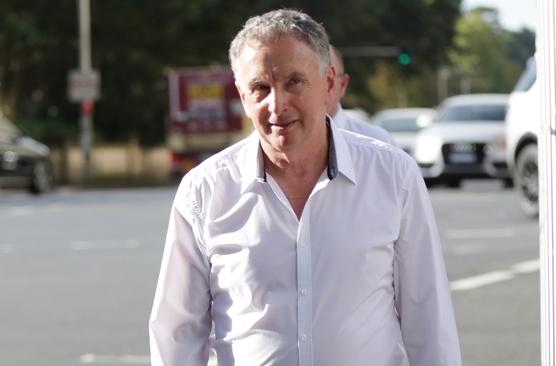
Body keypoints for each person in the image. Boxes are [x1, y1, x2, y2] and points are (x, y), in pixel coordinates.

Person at [149, 8, 461, 366]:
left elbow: (428, 317)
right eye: (260, 88)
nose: (277, 105)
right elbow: (178, 332)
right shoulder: (205, 191)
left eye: (294, 82)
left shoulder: (392, 176)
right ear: (242, 94)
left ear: (329, 84)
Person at [327, 45, 397, 145]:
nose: (318, 88)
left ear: (343, 84)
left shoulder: (379, 144)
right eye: (297, 81)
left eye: (327, 79)